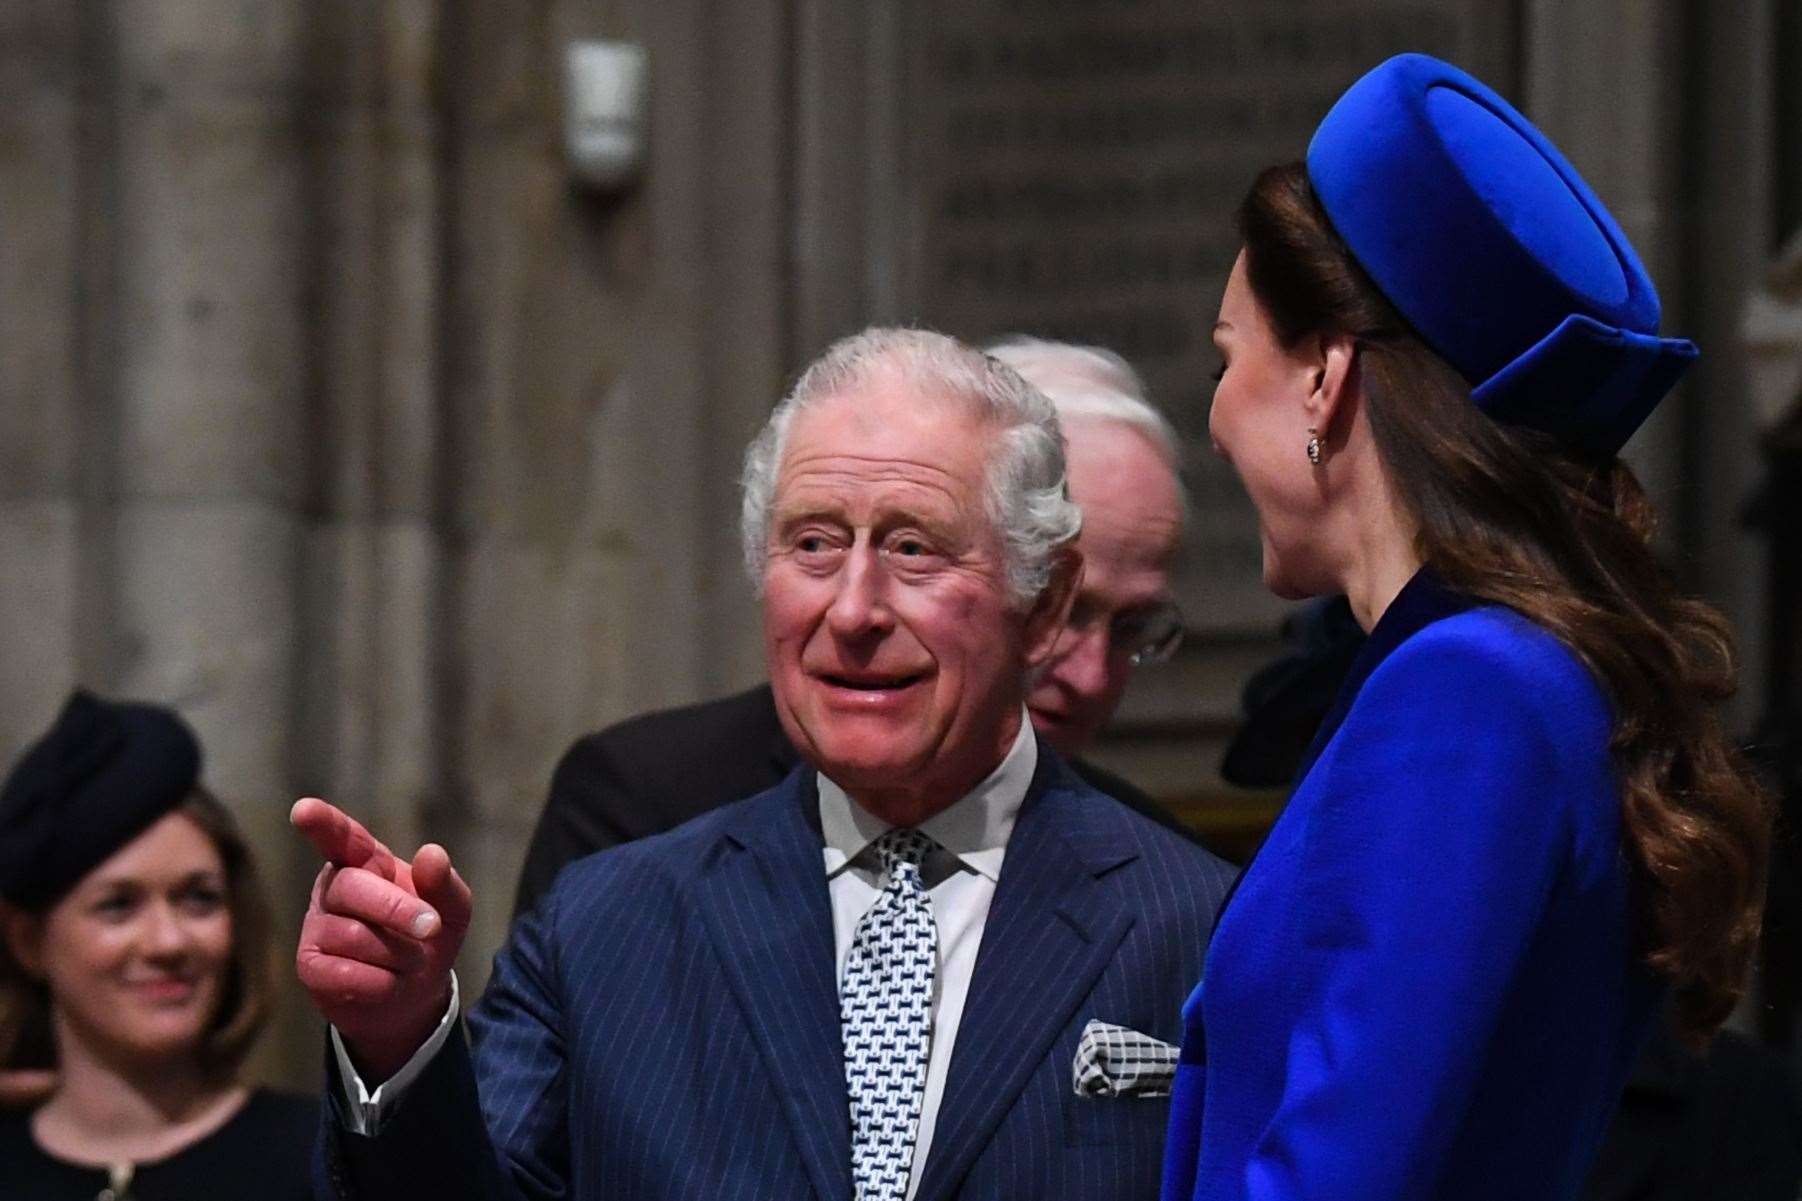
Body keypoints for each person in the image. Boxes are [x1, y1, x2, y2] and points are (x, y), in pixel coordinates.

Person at [295, 328, 1238, 1201]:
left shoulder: (1196, 927)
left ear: (1042, 602)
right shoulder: (607, 929)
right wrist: (399, 1040)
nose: (854, 608)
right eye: (815, 543)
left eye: (913, 547)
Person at [1160, 53, 1772, 1201]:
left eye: (1226, 355)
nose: (1211, 409)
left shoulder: (1465, 691)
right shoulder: (1495, 674)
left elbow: (1340, 1166)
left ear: (1322, 380)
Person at [513, 336, 1205, 917]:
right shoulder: (639, 831)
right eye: (816, 543)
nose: (1086, 674)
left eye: (1132, 627)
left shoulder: (1177, 898)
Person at [0, 690, 315, 1199]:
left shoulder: (322, 1162)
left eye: (199, 898)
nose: (168, 941)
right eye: (118, 905)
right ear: (29, 941)